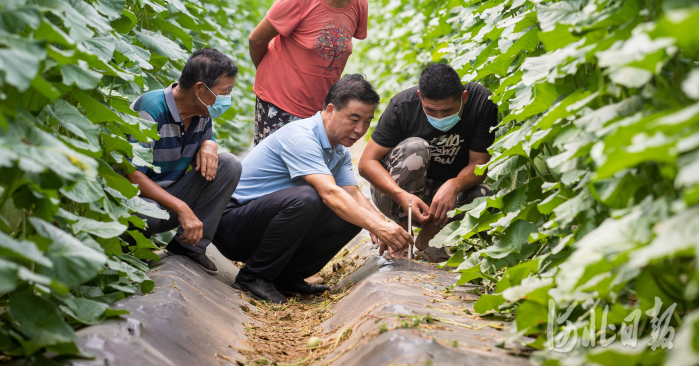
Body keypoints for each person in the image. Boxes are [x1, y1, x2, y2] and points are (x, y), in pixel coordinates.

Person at [213, 75, 412, 303]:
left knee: (352, 216)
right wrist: (377, 226)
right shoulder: (302, 137)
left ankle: (287, 278)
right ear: (330, 110)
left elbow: (353, 194)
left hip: (265, 225)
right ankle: (254, 276)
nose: (360, 129)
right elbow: (329, 192)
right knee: (308, 198)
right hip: (233, 225)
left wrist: (380, 225)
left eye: (367, 121)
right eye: (353, 119)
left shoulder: (339, 151)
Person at [358, 64, 498, 260]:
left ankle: (430, 236)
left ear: (463, 98)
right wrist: (401, 196)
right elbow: (366, 163)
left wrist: (455, 185)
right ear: (419, 97)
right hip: (395, 194)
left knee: (485, 196)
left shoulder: (481, 102)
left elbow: (479, 164)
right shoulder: (402, 106)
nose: (439, 117)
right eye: (431, 110)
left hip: (444, 199)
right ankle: (401, 234)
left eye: (448, 111)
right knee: (415, 148)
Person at [124, 49, 243, 275]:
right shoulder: (152, 108)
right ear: (200, 89)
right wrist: (182, 208)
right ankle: (128, 252)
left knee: (229, 164)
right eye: (225, 91)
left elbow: (210, 150)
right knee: (143, 214)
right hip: (140, 201)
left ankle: (189, 246)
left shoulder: (201, 113)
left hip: (170, 203)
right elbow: (131, 174)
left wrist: (211, 144)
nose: (227, 98)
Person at [248, 0, 371, 144]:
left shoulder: (359, 2)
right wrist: (274, 75)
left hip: (320, 107)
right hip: (279, 101)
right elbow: (256, 40)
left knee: (310, 171)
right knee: (275, 169)